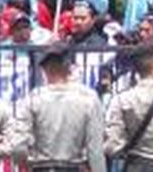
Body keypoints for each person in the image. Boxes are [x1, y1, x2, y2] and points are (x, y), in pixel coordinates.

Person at [12, 43, 105, 172]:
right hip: (73, 167)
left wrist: (25, 162)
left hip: (41, 167)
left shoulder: (33, 99)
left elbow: (18, 148)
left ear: (44, 69)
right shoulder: (88, 98)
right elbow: (95, 150)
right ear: (70, 68)